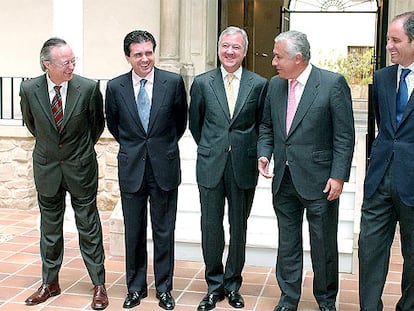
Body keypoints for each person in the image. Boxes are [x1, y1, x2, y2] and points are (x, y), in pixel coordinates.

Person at [257, 30, 355, 311]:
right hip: (284, 179)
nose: (274, 62)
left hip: (320, 180)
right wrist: (264, 154)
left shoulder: (332, 83)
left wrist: (338, 176)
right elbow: (266, 126)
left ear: (297, 58)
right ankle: (288, 298)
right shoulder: (274, 85)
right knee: (287, 244)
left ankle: (326, 300)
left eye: (278, 56)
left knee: (323, 244)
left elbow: (344, 135)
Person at [19, 38, 108, 310]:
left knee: (88, 227)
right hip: (47, 168)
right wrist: (53, 152)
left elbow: (96, 126)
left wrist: (77, 153)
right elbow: (32, 124)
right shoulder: (29, 88)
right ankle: (50, 283)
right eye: (65, 62)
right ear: (47, 65)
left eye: (73, 61)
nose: (71, 66)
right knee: (50, 229)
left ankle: (99, 285)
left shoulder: (89, 88)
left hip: (80, 168)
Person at [105, 30, 187, 310]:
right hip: (132, 169)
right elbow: (116, 126)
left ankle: (164, 288)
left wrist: (158, 147)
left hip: (163, 167)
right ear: (128, 56)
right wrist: (137, 148)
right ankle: (135, 288)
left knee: (164, 231)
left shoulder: (173, 82)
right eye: (138, 54)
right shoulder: (115, 87)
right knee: (134, 231)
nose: (145, 59)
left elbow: (180, 123)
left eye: (149, 52)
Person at [189, 26, 268, 311]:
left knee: (239, 227)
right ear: (218, 48)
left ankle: (232, 284)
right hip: (211, 164)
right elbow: (196, 125)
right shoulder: (201, 83)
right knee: (210, 227)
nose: (230, 51)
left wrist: (258, 154)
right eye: (225, 46)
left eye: (236, 47)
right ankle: (213, 285)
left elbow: (262, 126)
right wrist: (213, 147)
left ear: (244, 51)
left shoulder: (259, 84)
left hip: (242, 166)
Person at [358, 11, 414, 311]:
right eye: (388, 39)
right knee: (369, 250)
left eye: (396, 40)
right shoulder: (381, 78)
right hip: (380, 178)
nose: (389, 46)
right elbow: (383, 126)